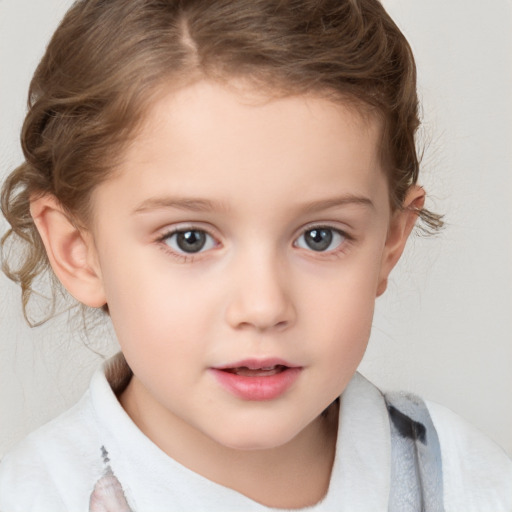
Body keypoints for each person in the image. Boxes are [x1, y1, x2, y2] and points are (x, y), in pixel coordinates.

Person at [0, 0, 510, 510]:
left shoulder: (464, 483)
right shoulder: (32, 497)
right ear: (78, 251)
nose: (264, 307)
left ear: (389, 242)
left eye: (319, 237)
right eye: (190, 239)